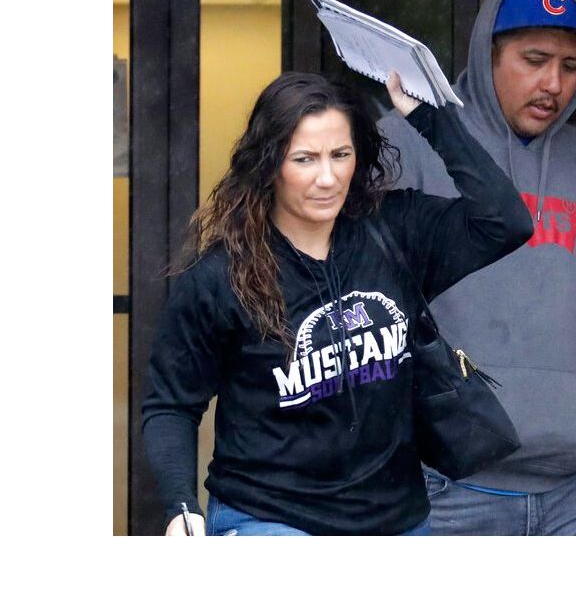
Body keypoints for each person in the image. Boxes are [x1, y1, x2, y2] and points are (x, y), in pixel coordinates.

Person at [141, 71, 533, 535]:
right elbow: (171, 404)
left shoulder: (394, 231)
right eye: (304, 159)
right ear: (269, 164)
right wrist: (180, 505)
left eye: (340, 155)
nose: (327, 178)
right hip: (271, 518)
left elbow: (504, 222)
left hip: (397, 520)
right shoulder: (221, 277)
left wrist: (432, 120)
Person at [377, 0, 576, 535]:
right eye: (534, 60)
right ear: (488, 55)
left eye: (570, 66)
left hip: (574, 486)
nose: (553, 84)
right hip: (441, 483)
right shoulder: (407, 143)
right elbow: (363, 297)